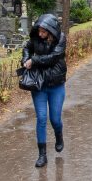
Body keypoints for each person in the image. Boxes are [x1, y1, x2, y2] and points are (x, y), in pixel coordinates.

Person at [21, 14, 68, 168]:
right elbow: (27, 47)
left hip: (56, 84)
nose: (40, 34)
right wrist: (25, 58)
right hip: (39, 84)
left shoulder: (60, 39)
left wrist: (33, 60)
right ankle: (42, 155)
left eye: (43, 31)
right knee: (41, 118)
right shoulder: (35, 38)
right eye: (39, 30)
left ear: (51, 30)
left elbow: (54, 58)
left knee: (55, 119)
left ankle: (59, 136)